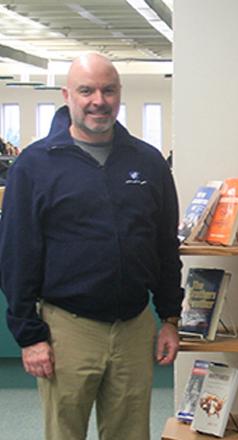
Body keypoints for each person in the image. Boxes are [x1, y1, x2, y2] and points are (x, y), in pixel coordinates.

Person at [0, 53, 183, 440]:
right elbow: (16, 255)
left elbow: (165, 246)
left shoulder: (148, 162)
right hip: (66, 329)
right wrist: (30, 336)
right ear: (67, 95)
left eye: (108, 90)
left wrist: (170, 318)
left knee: (130, 434)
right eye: (86, 90)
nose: (98, 100)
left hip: (134, 326)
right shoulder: (34, 165)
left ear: (119, 94)